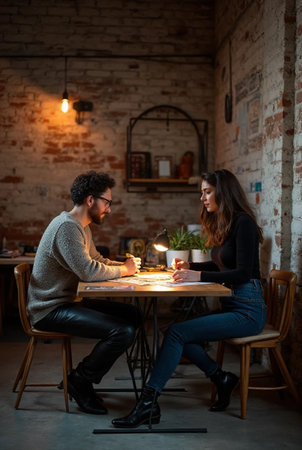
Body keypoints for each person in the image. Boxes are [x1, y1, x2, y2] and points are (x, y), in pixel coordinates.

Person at [112, 168, 266, 428]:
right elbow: (223, 267)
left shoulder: (244, 223)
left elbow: (241, 273)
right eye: (201, 193)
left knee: (176, 334)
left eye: (207, 192)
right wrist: (191, 269)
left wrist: (198, 277)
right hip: (233, 304)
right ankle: (220, 378)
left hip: (248, 311)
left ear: (224, 192)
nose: (202, 198)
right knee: (176, 332)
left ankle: (148, 403)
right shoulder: (227, 224)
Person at [28, 171, 141, 415]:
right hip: (49, 309)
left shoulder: (81, 226)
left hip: (68, 301)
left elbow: (96, 259)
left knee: (133, 314)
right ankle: (80, 380)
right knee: (123, 331)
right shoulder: (67, 227)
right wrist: (124, 270)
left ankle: (87, 378)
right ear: (91, 200)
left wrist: (127, 268)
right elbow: (88, 272)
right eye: (107, 202)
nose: (108, 209)